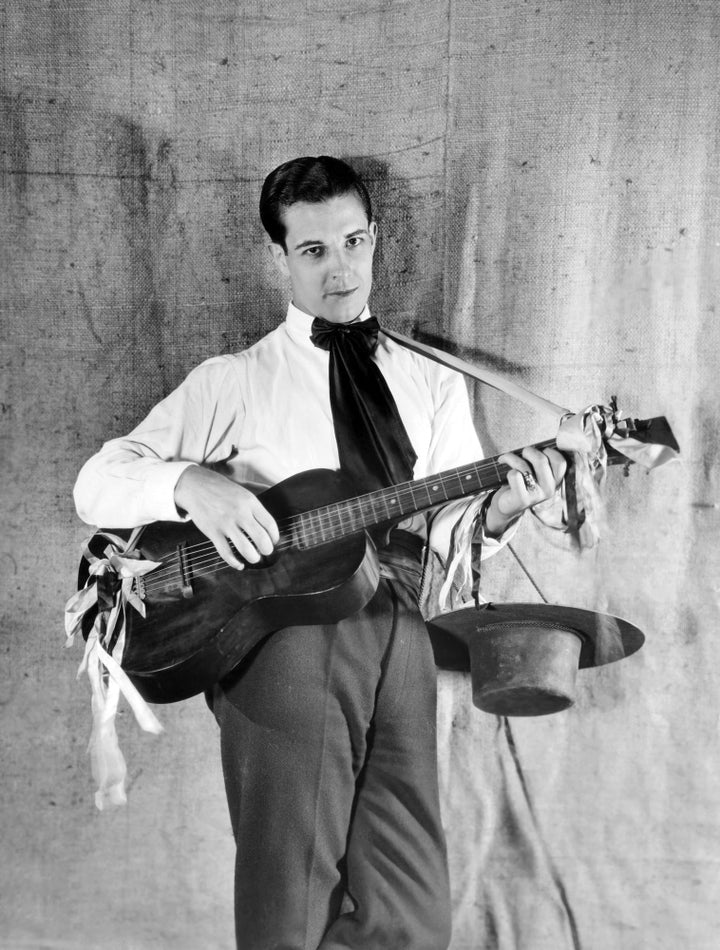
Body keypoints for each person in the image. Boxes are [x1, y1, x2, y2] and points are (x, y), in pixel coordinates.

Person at [74, 155, 566, 950]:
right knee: (291, 900)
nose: (341, 270)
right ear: (278, 258)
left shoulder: (430, 382)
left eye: (353, 242)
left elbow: (445, 537)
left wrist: (510, 501)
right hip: (283, 643)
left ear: (374, 239)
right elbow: (98, 483)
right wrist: (194, 484)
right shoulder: (233, 380)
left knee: (410, 910)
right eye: (313, 250)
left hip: (402, 631)